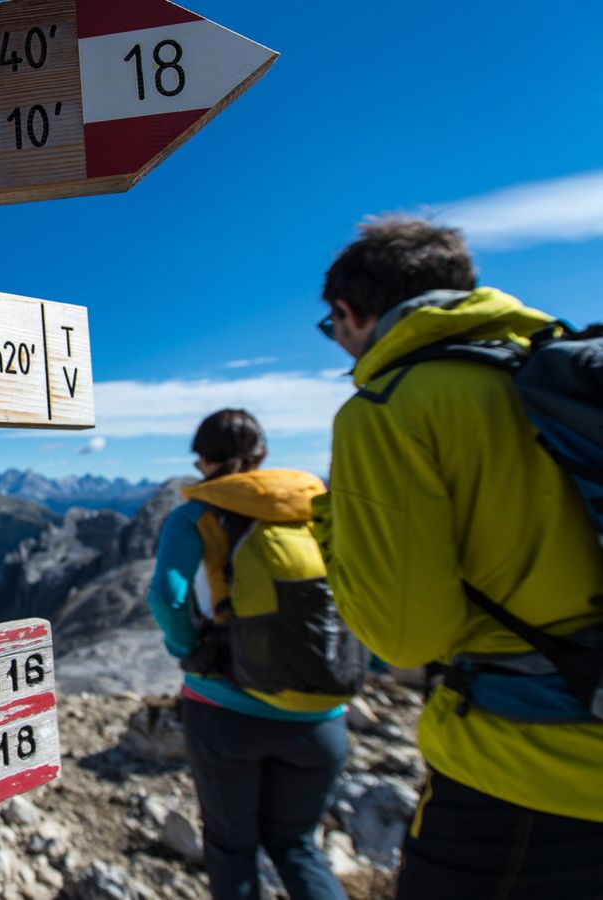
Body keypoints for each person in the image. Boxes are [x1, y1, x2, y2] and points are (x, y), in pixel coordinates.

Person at [314, 217, 603, 897]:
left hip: (524, 772)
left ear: (348, 314)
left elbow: (404, 637)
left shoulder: (391, 406)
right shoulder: (560, 370)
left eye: (333, 331)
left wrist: (333, 529)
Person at [149, 409, 360, 900]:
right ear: (262, 454)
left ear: (202, 460)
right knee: (298, 846)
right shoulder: (315, 507)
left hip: (225, 709)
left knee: (231, 847)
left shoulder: (195, 515)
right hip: (322, 712)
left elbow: (168, 594)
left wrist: (190, 651)